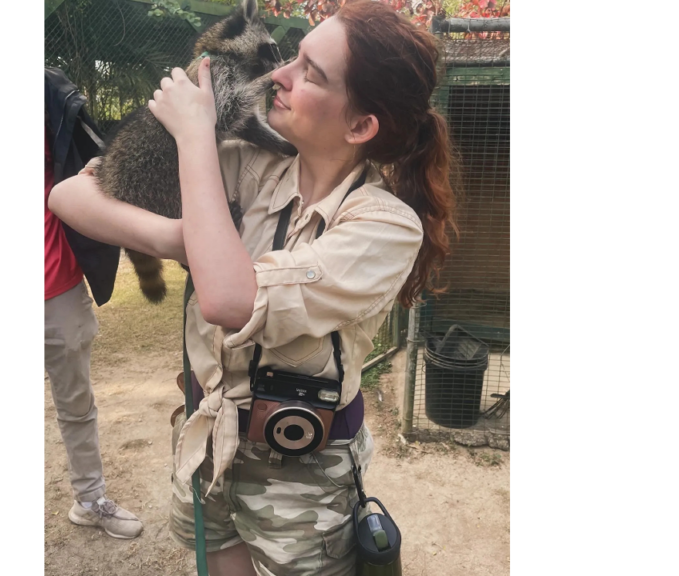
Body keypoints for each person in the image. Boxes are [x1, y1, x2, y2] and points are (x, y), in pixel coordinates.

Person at [50, 1, 455, 572]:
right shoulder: (248, 163)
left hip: (301, 477)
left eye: (310, 73)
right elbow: (68, 196)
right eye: (293, 58)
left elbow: (227, 300)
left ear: (361, 125)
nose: (278, 75)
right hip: (209, 443)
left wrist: (195, 138)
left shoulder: (383, 225)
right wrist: (180, 238)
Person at [44, 67, 143, 540]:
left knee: (76, 403)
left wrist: (95, 172)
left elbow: (85, 160)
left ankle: (90, 499)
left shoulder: (52, 92)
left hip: (58, 284)